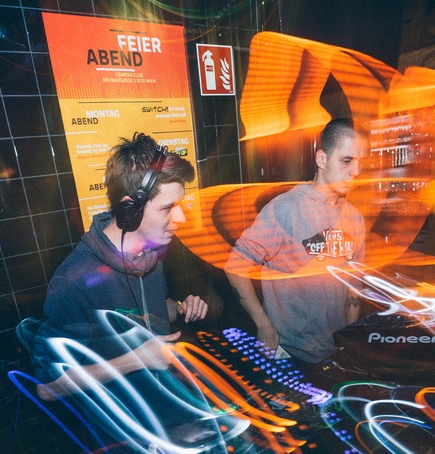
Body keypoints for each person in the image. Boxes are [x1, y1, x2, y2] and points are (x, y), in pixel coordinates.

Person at [32, 133, 208, 400]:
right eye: (167, 208)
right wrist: (135, 360)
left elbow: (151, 308)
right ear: (130, 210)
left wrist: (182, 307)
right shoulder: (74, 281)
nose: (181, 217)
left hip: (166, 404)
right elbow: (47, 387)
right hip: (124, 420)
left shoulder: (151, 255)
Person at [224, 117, 368, 364]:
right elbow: (235, 266)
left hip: (333, 353)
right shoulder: (285, 209)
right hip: (290, 353)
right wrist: (263, 324)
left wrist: (349, 337)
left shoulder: (355, 217)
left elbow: (354, 284)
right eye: (346, 161)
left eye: (360, 162)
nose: (355, 171)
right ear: (321, 159)